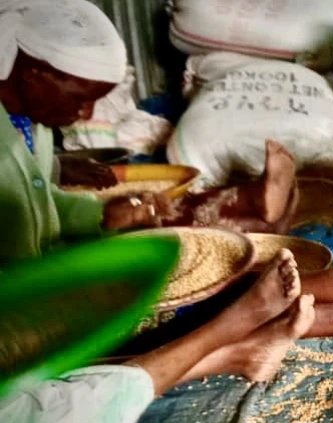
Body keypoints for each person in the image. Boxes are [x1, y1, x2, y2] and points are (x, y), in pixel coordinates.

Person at [0, 0, 301, 265]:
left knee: (161, 219)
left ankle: (247, 202)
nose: (87, 114)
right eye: (80, 99)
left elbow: (42, 206)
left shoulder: (32, 125)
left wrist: (101, 216)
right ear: (33, 77)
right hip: (23, 296)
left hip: (46, 268)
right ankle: (250, 212)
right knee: (187, 272)